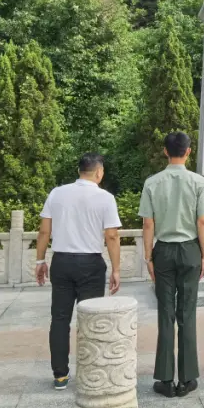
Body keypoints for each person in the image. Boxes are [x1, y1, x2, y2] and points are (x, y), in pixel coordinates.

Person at [35, 153, 122, 390]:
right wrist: (116, 269)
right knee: (91, 319)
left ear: (79, 171)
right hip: (90, 264)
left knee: (60, 319)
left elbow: (44, 232)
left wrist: (40, 260)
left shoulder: (57, 194)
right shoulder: (105, 198)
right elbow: (112, 235)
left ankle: (60, 375)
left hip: (61, 262)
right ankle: (91, 370)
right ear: (99, 172)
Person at [140, 131, 204, 397]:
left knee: (166, 314)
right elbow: (202, 221)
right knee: (187, 314)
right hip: (190, 248)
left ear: (164, 151)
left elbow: (148, 223)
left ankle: (166, 379)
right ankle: (188, 377)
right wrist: (203, 255)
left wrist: (148, 257)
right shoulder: (198, 182)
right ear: (189, 151)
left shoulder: (152, 182)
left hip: (164, 251)